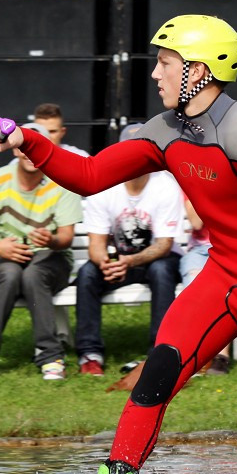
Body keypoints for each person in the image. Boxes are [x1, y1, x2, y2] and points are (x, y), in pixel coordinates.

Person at [0, 14, 237, 474]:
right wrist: (29, 143)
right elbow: (88, 175)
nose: (155, 74)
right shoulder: (165, 132)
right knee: (159, 370)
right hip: (223, 279)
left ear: (199, 69)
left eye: (164, 63)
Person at [0, 124, 82, 383]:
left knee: (34, 275)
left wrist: (51, 239)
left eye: (35, 147)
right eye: (24, 147)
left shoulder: (62, 180)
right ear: (15, 149)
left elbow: (66, 238)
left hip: (52, 257)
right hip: (8, 256)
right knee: (10, 275)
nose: (29, 154)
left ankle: (50, 356)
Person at [75, 134, 184, 377]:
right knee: (88, 273)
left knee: (161, 269)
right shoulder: (103, 186)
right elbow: (96, 244)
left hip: (157, 260)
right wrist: (104, 263)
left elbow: (165, 244)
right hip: (119, 261)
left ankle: (159, 351)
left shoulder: (165, 185)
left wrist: (130, 260)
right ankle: (89, 354)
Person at [181, 196, 230, 375]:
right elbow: (196, 223)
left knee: (224, 286)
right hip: (199, 251)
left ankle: (220, 357)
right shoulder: (191, 180)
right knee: (194, 286)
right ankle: (196, 353)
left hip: (230, 247)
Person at [25, 102, 90, 157]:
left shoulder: (81, 157)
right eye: (41, 130)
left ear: (62, 132)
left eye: (52, 131)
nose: (46, 136)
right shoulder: (25, 161)